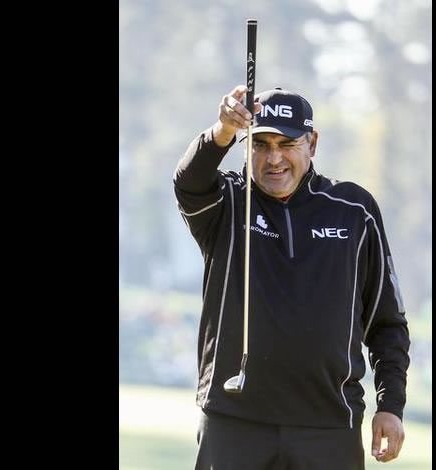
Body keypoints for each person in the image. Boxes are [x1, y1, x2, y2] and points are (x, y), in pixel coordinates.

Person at [174, 85, 410, 469]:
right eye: (261, 145)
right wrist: (222, 131)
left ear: (311, 144)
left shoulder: (354, 210)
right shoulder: (227, 201)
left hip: (328, 426)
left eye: (287, 144)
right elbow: (188, 181)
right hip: (234, 423)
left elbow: (387, 323)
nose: (274, 158)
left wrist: (391, 404)